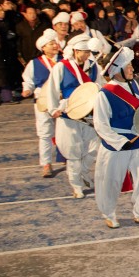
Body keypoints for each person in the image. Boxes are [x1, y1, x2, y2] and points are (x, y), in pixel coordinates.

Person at [92, 47, 139, 229]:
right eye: (128, 66)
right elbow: (101, 125)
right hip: (117, 145)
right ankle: (109, 214)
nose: (132, 69)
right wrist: (121, 142)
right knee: (111, 181)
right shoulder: (104, 94)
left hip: (138, 140)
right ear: (117, 70)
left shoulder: (133, 85)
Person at [44, 35, 104, 198]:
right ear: (74, 51)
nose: (85, 55)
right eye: (82, 52)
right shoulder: (61, 67)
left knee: (94, 148)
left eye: (87, 52)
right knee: (73, 151)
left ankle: (84, 174)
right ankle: (76, 185)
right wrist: (53, 108)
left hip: (89, 112)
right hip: (68, 113)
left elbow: (100, 86)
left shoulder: (93, 66)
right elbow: (52, 89)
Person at [21, 29, 62, 177]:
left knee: (65, 130)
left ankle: (66, 157)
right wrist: (27, 89)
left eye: (55, 43)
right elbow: (28, 80)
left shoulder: (64, 60)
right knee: (45, 133)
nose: (54, 46)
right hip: (42, 101)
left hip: (61, 100)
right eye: (50, 44)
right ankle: (46, 164)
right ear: (43, 47)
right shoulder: (34, 63)